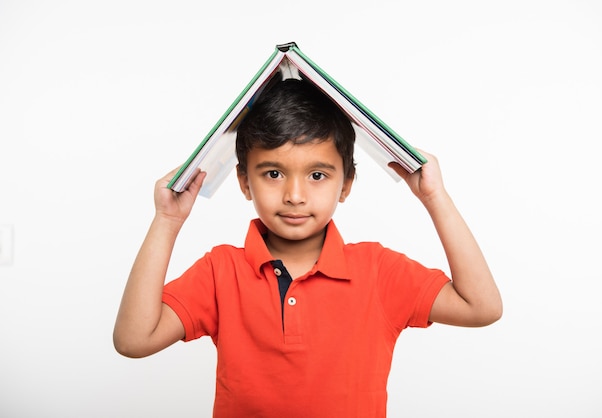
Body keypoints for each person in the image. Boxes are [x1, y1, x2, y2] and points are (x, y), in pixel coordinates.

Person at [113, 78, 502, 417]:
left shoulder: (378, 271)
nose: (295, 195)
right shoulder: (221, 271)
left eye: (317, 175)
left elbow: (480, 307)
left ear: (346, 184)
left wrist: (434, 196)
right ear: (244, 182)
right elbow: (134, 340)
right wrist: (167, 221)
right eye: (273, 173)